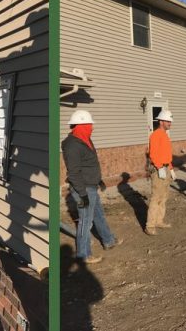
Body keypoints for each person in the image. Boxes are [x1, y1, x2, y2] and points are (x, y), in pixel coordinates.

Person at [62, 110, 122, 264]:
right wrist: (82, 194)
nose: (92, 128)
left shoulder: (85, 139)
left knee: (99, 215)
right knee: (86, 222)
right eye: (90, 125)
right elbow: (74, 173)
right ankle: (83, 255)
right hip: (83, 189)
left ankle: (108, 240)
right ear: (81, 125)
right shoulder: (72, 145)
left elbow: (90, 163)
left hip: (92, 186)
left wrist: (98, 180)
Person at [146, 110, 176, 236]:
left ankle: (159, 221)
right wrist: (159, 168)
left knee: (163, 197)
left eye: (170, 121)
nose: (170, 123)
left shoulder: (165, 135)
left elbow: (166, 155)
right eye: (168, 121)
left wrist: (171, 168)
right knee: (156, 198)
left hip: (166, 169)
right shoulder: (156, 135)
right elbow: (153, 155)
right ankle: (150, 225)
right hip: (159, 170)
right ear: (161, 121)